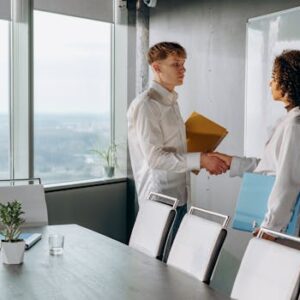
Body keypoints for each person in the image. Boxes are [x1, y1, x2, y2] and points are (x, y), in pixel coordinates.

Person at [127, 42, 228, 258]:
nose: (183, 70)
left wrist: (201, 152)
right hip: (159, 199)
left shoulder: (172, 101)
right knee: (156, 268)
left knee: (173, 264)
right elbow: (155, 159)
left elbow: (172, 148)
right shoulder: (147, 105)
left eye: (183, 64)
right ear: (156, 68)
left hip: (180, 195)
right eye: (175, 64)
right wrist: (200, 160)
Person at [210, 50, 300, 238]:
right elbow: (271, 167)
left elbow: (288, 181)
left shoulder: (295, 124)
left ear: (288, 81)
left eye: (274, 77)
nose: (270, 83)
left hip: (283, 228)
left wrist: (272, 227)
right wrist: (233, 162)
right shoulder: (289, 120)